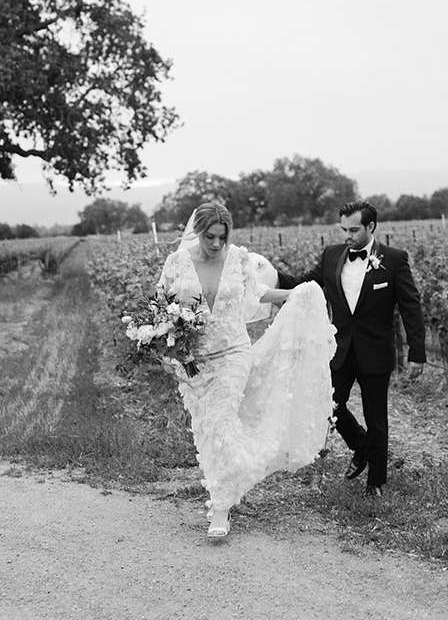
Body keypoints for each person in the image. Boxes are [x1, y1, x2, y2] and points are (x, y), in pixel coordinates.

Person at [159, 201, 336, 539]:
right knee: (208, 429)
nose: (215, 244)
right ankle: (226, 486)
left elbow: (255, 294)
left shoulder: (238, 259)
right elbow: (161, 305)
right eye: (209, 237)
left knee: (223, 419)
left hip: (234, 353)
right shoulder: (177, 263)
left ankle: (221, 509)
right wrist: (168, 349)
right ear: (197, 233)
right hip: (194, 360)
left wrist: (294, 293)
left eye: (222, 238)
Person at [277, 200, 426, 498]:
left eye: (354, 229)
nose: (347, 235)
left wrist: (416, 351)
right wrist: (271, 274)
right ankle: (361, 446)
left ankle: (376, 483)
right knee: (327, 405)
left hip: (376, 351)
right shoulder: (332, 255)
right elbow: (305, 284)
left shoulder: (395, 260)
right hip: (340, 348)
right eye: (343, 229)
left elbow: (411, 306)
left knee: (377, 418)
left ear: (371, 227)